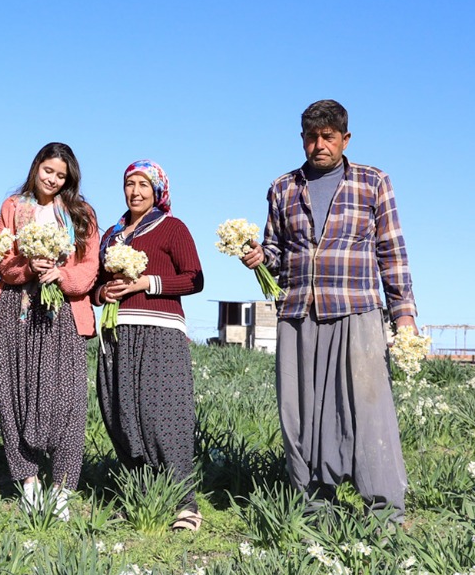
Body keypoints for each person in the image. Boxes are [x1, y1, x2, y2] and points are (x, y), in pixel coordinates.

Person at [243, 99, 416, 523]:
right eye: (311, 137)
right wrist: (257, 258)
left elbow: (391, 251)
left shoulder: (373, 182)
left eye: (328, 137)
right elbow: (278, 256)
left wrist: (404, 314)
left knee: (368, 411)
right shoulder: (283, 188)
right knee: (299, 413)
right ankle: (315, 507)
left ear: (345, 138)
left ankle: (383, 511)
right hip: (298, 312)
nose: (319, 145)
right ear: (302, 139)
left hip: (357, 309)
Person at [0, 142, 100, 518]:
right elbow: (4, 261)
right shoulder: (13, 207)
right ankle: (29, 484)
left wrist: (60, 274)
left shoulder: (81, 214)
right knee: (15, 397)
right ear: (36, 167)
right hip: (16, 311)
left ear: (69, 179)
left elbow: (89, 269)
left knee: (68, 402)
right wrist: (29, 267)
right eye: (47, 170)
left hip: (64, 313)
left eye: (60, 175)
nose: (52, 179)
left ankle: (63, 489)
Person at [92, 160, 205, 529]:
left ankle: (185, 503)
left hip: (160, 330)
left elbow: (194, 278)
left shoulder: (172, 227)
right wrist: (102, 292)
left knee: (163, 414)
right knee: (120, 412)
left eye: (143, 184)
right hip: (116, 332)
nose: (135, 191)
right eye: (129, 183)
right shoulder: (112, 233)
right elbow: (95, 285)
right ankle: (143, 494)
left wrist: (147, 283)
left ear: (157, 190)